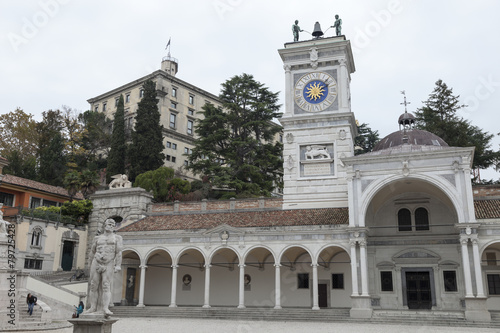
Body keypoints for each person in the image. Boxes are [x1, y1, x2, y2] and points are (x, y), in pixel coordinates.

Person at [86, 218, 123, 315]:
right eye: (109, 224)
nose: (111, 226)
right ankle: (93, 307)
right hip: (96, 261)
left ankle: (105, 308)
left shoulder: (117, 238)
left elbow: (119, 252)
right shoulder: (97, 238)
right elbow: (92, 252)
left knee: (106, 285)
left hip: (109, 262)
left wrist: (118, 265)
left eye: (113, 225)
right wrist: (89, 265)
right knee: (93, 285)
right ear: (104, 225)